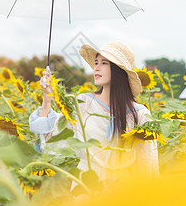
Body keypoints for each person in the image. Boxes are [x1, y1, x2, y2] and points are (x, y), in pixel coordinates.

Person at [29, 41, 159, 183]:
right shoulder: (84, 103)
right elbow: (48, 134)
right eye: (96, 63)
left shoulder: (139, 114)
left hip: (121, 193)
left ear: (118, 70)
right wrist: (47, 97)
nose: (96, 68)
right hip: (85, 189)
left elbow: (148, 165)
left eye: (104, 63)